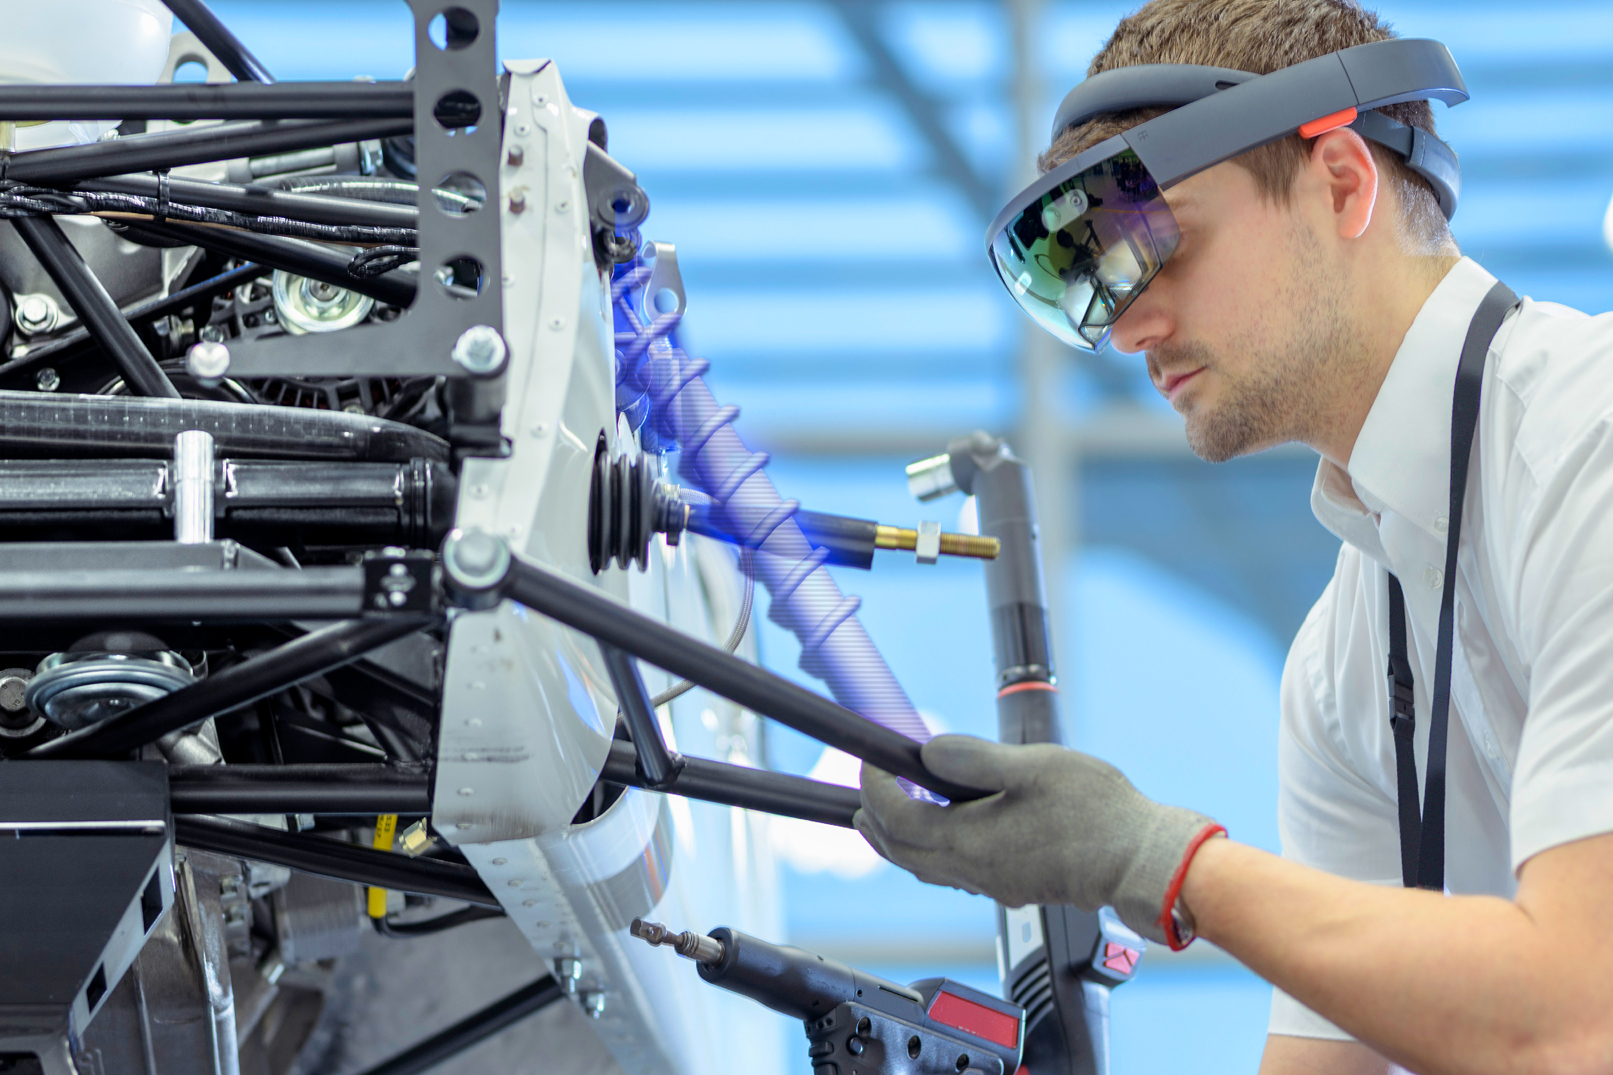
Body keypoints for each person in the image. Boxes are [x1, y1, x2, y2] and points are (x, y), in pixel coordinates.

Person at [854, 2, 1613, 1073]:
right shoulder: (1343, 658)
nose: (1126, 328)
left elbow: (1579, 1011)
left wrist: (1158, 860)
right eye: (1097, 286)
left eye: (1157, 245)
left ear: (1341, 182)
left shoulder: (1590, 439)